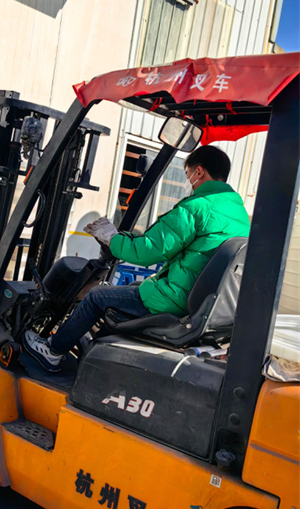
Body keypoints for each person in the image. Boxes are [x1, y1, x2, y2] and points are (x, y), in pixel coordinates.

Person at [22, 145, 251, 372]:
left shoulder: (196, 207)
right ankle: (92, 351)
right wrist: (124, 239)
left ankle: (53, 351)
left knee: (97, 296)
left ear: (198, 171)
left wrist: (112, 239)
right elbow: (180, 247)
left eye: (187, 173)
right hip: (201, 301)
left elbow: (147, 251)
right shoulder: (237, 212)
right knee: (133, 287)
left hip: (174, 299)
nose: (187, 180)